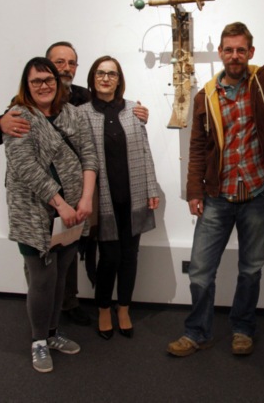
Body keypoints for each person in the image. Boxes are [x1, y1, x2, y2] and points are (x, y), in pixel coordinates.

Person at [0, 41, 148, 326]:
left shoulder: (82, 98)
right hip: (36, 201)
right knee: (42, 268)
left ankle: (66, 305)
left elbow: (107, 109)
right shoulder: (25, 102)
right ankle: (44, 321)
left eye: (71, 63)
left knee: (70, 252)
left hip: (78, 195)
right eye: (59, 62)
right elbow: (6, 138)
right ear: (46, 65)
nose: (65, 68)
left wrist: (138, 112)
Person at [167, 22, 264, 358]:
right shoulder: (206, 96)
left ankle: (243, 329)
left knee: (251, 269)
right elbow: (197, 147)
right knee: (200, 272)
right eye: (229, 50)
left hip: (257, 194)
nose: (235, 56)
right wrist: (194, 191)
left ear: (251, 52)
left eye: (241, 50)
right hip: (217, 196)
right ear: (220, 52)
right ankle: (197, 332)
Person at [3, 56, 98, 373]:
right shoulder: (18, 116)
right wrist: (61, 204)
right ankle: (38, 341)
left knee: (60, 275)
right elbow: (25, 167)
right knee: (42, 279)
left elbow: (89, 156)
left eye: (48, 80)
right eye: (36, 81)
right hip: (33, 212)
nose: (43, 86)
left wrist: (85, 199)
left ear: (58, 83)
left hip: (73, 212)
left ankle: (53, 333)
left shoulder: (73, 114)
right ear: (27, 85)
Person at [79, 56, 159, 340]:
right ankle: (103, 308)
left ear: (119, 80)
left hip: (132, 196)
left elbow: (145, 151)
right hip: (102, 200)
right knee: (109, 257)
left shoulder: (133, 110)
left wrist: (151, 188)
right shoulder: (81, 113)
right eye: (100, 73)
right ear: (93, 78)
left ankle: (123, 307)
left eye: (111, 74)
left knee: (130, 257)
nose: (106, 78)